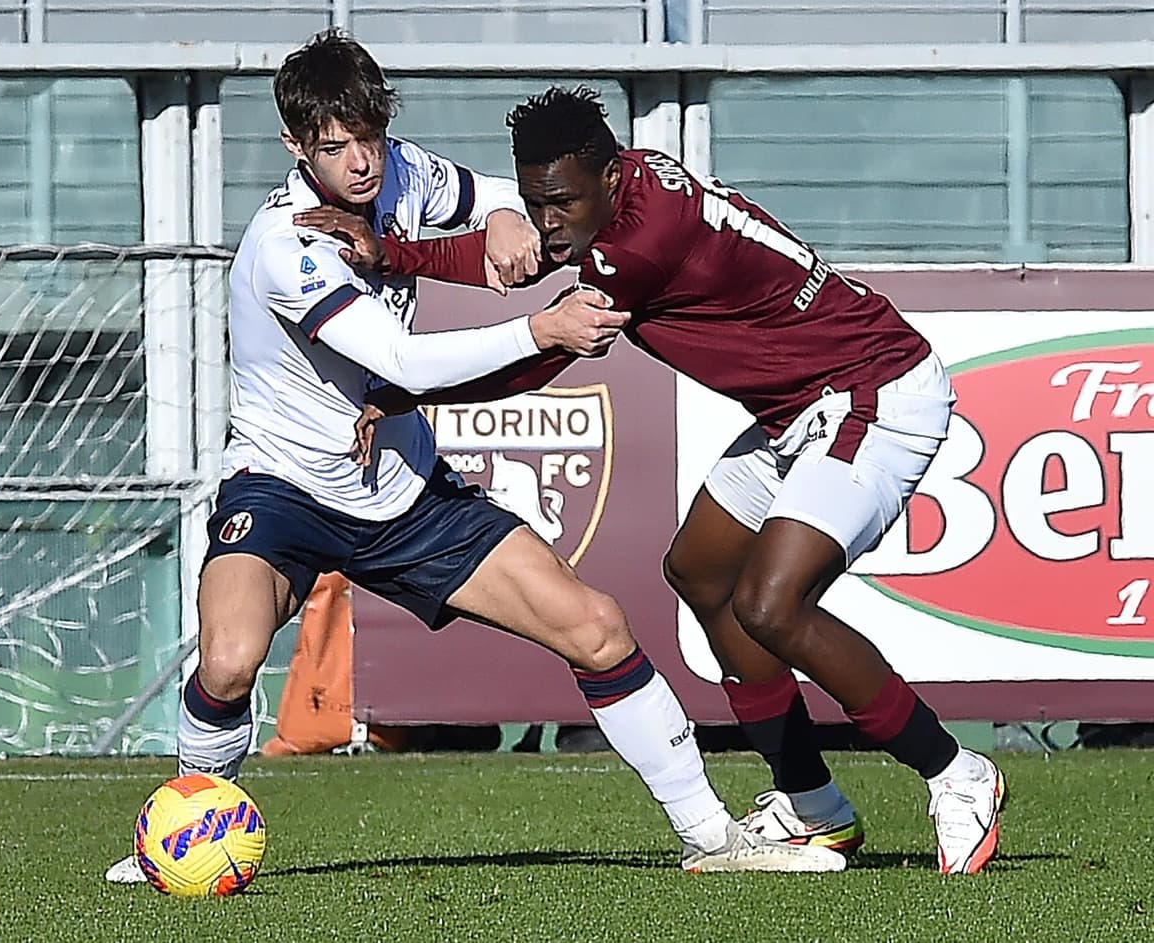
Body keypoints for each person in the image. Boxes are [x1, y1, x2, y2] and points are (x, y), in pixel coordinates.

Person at [106, 35, 845, 884]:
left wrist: (498, 213)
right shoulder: (287, 244)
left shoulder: (404, 174)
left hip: (404, 488)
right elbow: (406, 365)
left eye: (369, 139)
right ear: (293, 147)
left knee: (597, 628)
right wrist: (544, 326)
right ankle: (178, 835)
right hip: (284, 487)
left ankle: (714, 836)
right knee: (230, 659)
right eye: (334, 148)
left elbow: (494, 195)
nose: (360, 164)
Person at [309, 86, 1007, 875]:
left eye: (561, 202)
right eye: (535, 202)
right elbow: (535, 257)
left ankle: (958, 773)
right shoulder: (621, 196)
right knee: (700, 570)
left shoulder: (638, 248)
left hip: (875, 390)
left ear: (609, 179)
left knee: (771, 605)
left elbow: (544, 350)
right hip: (798, 406)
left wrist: (405, 392)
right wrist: (394, 253)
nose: (547, 221)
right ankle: (813, 803)